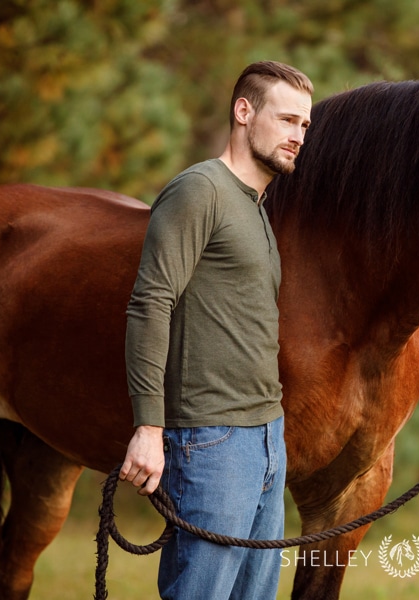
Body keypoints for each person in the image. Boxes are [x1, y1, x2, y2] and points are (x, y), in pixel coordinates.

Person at [119, 61, 313, 599]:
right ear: (244, 112)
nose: (298, 136)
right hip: (210, 441)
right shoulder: (199, 191)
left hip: (266, 435)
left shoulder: (256, 205)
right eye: (288, 120)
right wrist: (149, 428)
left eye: (305, 126)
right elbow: (150, 303)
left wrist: (273, 435)